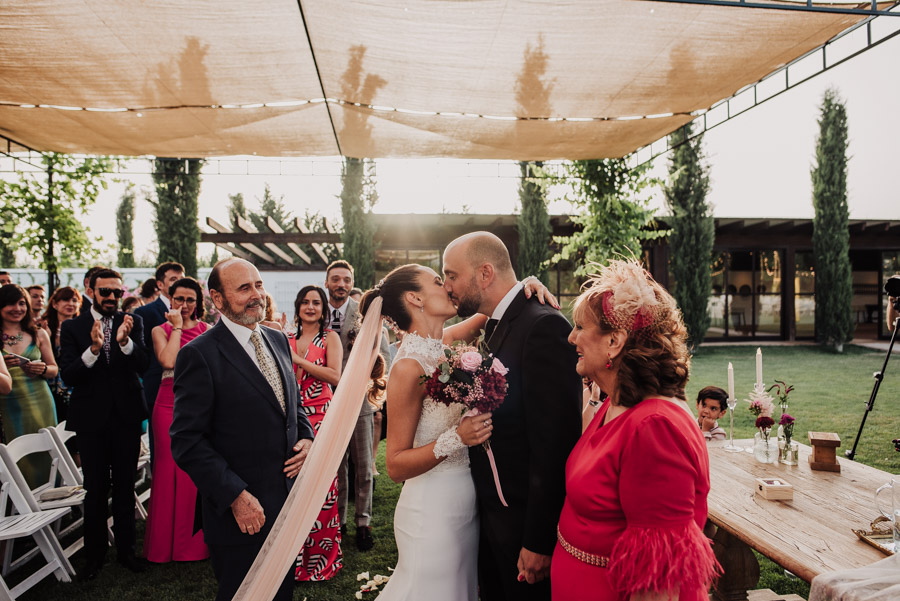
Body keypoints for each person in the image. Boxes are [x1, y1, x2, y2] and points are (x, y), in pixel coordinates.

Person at [363, 263, 556, 601]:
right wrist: (458, 438)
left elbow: (496, 303)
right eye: (439, 281)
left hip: (465, 502)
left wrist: (528, 283)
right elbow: (394, 465)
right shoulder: (408, 367)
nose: (448, 287)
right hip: (430, 512)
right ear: (414, 298)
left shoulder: (445, 344)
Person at [552, 259, 719, 601]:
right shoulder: (617, 404)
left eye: (580, 327)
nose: (572, 338)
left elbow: (661, 579)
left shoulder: (654, 428)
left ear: (614, 341)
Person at [442, 232, 582, 601]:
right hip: (493, 518)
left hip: (523, 526)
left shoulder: (542, 327)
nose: (447, 285)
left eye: (452, 275)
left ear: (485, 273)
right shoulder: (495, 322)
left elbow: (555, 445)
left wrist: (539, 540)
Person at [170, 258, 315, 601]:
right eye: (244, 288)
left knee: (281, 592)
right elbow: (187, 440)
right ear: (217, 299)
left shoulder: (278, 340)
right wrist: (234, 495)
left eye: (259, 284)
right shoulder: (199, 355)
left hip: (286, 500)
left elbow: (292, 404)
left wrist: (307, 437)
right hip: (242, 512)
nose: (257, 295)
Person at [58, 268, 150, 580]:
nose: (111, 297)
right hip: (90, 419)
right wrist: (94, 350)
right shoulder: (73, 326)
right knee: (95, 490)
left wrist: (125, 343)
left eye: (116, 292)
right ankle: (94, 558)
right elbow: (69, 375)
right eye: (105, 292)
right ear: (91, 291)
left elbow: (144, 364)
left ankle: (127, 553)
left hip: (125, 416)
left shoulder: (133, 321)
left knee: (125, 486)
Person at [143, 277, 209, 563]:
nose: (184, 305)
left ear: (198, 303)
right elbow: (168, 362)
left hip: (200, 405)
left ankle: (192, 546)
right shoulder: (161, 330)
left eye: (190, 300)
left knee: (195, 471)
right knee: (168, 468)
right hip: (167, 405)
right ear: (170, 300)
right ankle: (163, 546)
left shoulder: (208, 331)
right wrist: (178, 327)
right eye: (179, 299)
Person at [328, 259, 390, 551]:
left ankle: (362, 523)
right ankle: (338, 523)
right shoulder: (316, 311)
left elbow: (383, 353)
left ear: (351, 283)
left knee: (364, 467)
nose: (341, 284)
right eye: (336, 279)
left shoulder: (364, 314)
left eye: (346, 280)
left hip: (360, 402)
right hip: (327, 403)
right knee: (336, 468)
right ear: (327, 281)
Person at [289, 285, 343, 582]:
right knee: (294, 490)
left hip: (322, 415)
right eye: (305, 302)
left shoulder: (329, 338)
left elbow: (335, 375)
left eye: (316, 303)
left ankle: (323, 560)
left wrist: (299, 361)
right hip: (292, 419)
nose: (310, 307)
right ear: (298, 306)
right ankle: (295, 559)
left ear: (323, 309)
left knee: (322, 488)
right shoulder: (286, 338)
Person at [0, 284, 59, 476]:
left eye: (21, 303)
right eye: (10, 304)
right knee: (16, 455)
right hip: (8, 403)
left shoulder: (38, 333)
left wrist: (42, 368)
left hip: (39, 398)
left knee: (46, 450)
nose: (17, 309)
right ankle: (22, 502)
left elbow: (54, 369)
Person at [134, 261, 185, 460]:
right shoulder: (145, 313)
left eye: (181, 279)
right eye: (173, 279)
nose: (177, 283)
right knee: (161, 447)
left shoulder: (191, 310)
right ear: (160, 285)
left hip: (188, 386)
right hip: (158, 385)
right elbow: (141, 353)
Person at [41, 286, 81, 424]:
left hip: (74, 384)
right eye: (65, 300)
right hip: (49, 383)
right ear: (54, 304)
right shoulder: (43, 328)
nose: (70, 304)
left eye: (75, 300)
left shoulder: (84, 328)